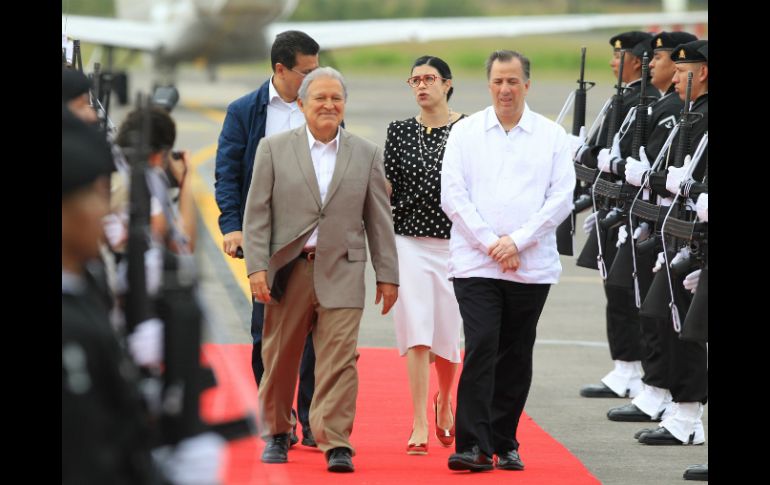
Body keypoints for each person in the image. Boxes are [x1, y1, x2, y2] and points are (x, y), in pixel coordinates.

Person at [242, 67, 399, 472]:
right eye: (320, 98)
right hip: (288, 269)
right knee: (279, 356)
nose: (329, 105)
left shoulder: (365, 153)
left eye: (336, 98)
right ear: (301, 104)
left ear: (344, 105)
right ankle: (277, 431)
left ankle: (336, 440)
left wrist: (387, 274)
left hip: (343, 269)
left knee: (340, 359)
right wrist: (257, 267)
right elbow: (256, 213)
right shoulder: (273, 149)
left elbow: (378, 219)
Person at [440, 50, 574, 472]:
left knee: (516, 354)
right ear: (488, 84)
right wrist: (491, 244)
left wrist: (516, 242)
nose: (505, 89)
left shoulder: (551, 136)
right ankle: (472, 445)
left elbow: (560, 199)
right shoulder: (466, 133)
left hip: (529, 266)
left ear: (527, 85)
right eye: (498, 81)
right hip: (476, 264)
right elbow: (453, 195)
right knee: (481, 345)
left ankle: (505, 440)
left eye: (513, 81)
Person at [214, 30, 320, 447]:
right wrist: (232, 225)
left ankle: (313, 417)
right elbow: (228, 171)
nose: (315, 82)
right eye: (306, 72)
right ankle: (278, 416)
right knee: (267, 334)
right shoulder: (245, 111)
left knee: (316, 331)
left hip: (315, 239)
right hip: (268, 240)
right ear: (280, 69)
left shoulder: (323, 105)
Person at [600, 31, 698, 425]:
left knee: (667, 314)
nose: (662, 68)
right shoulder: (672, 108)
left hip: (674, 226)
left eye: (671, 62)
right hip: (653, 219)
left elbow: (668, 174)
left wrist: (639, 176)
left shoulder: (681, 111)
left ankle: (676, 403)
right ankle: (661, 393)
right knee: (650, 305)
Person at [383, 55, 464, 455]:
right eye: (414, 79)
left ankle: (444, 400)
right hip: (409, 241)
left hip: (457, 243)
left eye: (429, 79)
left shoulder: (468, 129)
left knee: (447, 333)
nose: (421, 86)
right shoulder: (398, 131)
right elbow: (387, 189)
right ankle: (417, 420)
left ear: (447, 84)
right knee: (417, 329)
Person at [576, 31, 657, 400]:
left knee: (627, 291)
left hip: (631, 207)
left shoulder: (647, 102)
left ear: (636, 61)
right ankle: (624, 365)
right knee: (615, 287)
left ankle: (635, 369)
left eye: (618, 56)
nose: (612, 62)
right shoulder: (623, 97)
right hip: (612, 203)